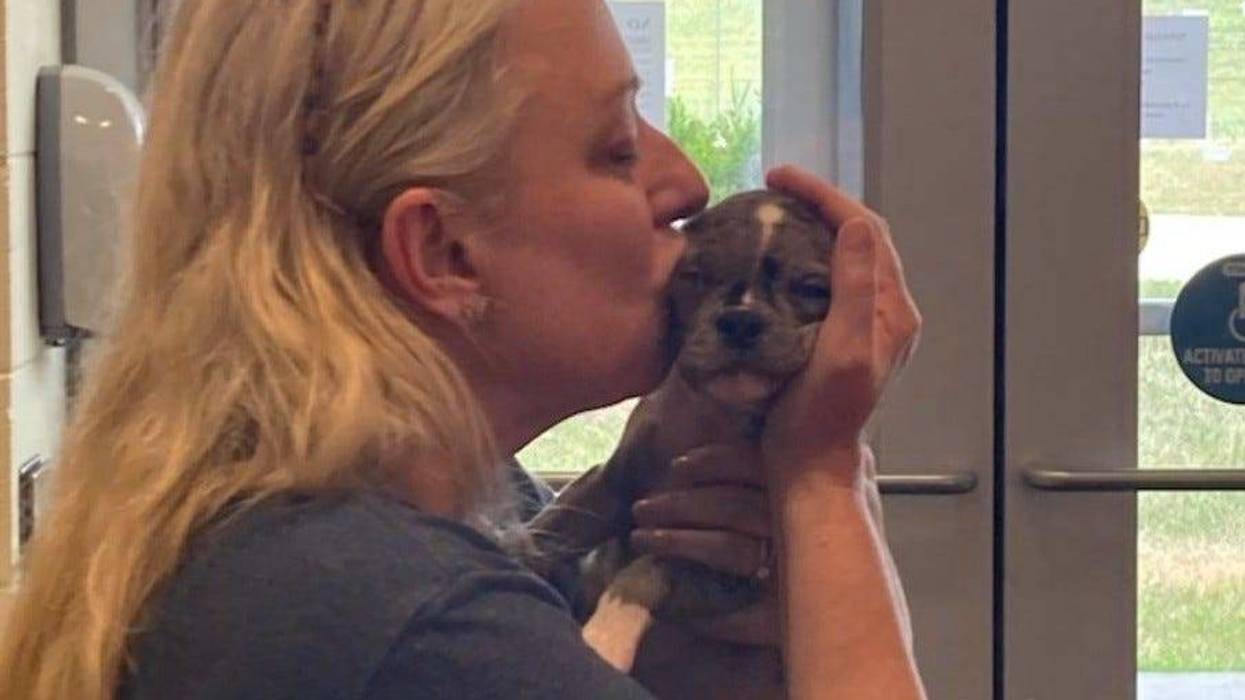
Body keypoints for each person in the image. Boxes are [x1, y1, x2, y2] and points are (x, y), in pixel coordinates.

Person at [0, 1, 925, 698]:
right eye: (613, 146)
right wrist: (821, 478)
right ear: (442, 253)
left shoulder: (387, 530)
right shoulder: (423, 627)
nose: (683, 181)